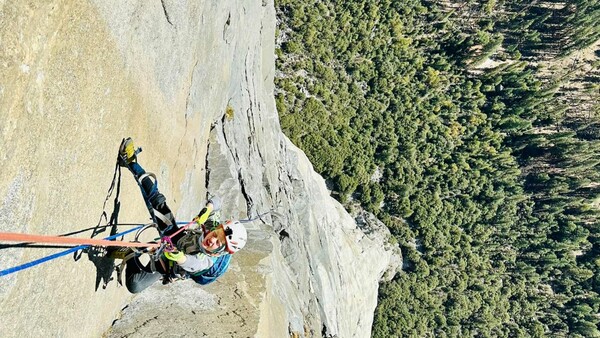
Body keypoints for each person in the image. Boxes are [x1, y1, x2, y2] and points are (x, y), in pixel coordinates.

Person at [117, 137, 247, 293]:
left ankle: (131, 253)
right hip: (176, 237)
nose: (212, 240)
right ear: (217, 228)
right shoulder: (212, 227)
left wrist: (174, 254)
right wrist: (208, 209)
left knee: (135, 285)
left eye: (218, 243)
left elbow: (188, 261)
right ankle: (131, 161)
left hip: (168, 264)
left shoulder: (206, 262)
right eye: (215, 234)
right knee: (158, 202)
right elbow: (218, 202)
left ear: (222, 251)